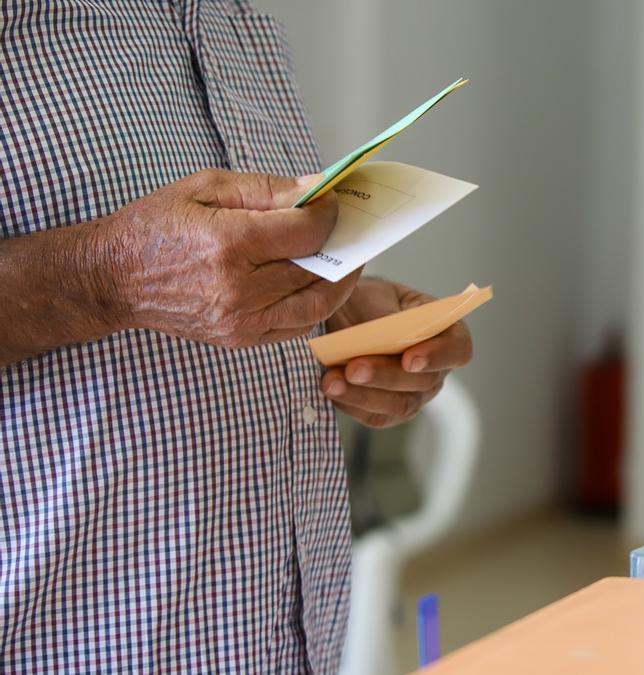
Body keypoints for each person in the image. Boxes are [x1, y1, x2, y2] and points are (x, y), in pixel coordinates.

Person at [0, 1, 473, 671]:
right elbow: (143, 265)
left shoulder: (232, 15)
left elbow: (220, 255)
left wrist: (328, 305)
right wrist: (107, 276)